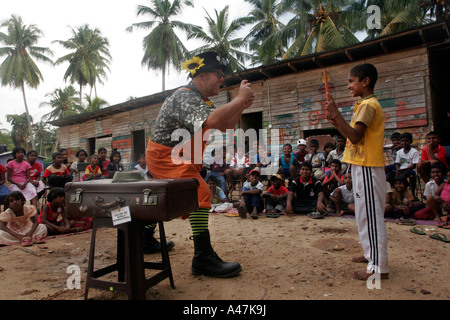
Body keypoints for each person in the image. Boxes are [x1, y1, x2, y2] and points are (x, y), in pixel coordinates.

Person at [145, 51, 254, 278]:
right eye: (218, 74)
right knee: (200, 191)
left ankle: (144, 238)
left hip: (182, 158)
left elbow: (225, 125)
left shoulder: (201, 100)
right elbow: (215, 120)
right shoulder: (184, 97)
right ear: (202, 76)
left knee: (167, 198)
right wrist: (239, 99)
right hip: (166, 157)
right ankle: (202, 258)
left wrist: (241, 105)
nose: (221, 79)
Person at [325, 63, 389, 281]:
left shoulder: (368, 106)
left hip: (369, 168)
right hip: (363, 166)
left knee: (370, 217)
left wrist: (336, 115)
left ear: (365, 81)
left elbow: (354, 137)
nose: (349, 85)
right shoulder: (364, 105)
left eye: (352, 81)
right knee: (363, 214)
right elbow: (351, 134)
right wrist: (335, 120)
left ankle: (378, 267)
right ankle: (371, 255)